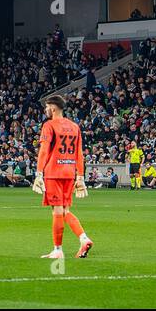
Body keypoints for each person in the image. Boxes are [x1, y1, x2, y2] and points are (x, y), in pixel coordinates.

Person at [33, 95, 92, 260]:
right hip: (69, 173)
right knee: (65, 210)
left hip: (53, 172)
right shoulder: (74, 126)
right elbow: (79, 153)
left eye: (46, 107)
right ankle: (83, 239)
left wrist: (39, 173)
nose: (45, 110)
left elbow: (44, 151)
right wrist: (80, 176)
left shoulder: (49, 125)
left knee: (57, 211)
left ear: (52, 107)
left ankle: (58, 250)